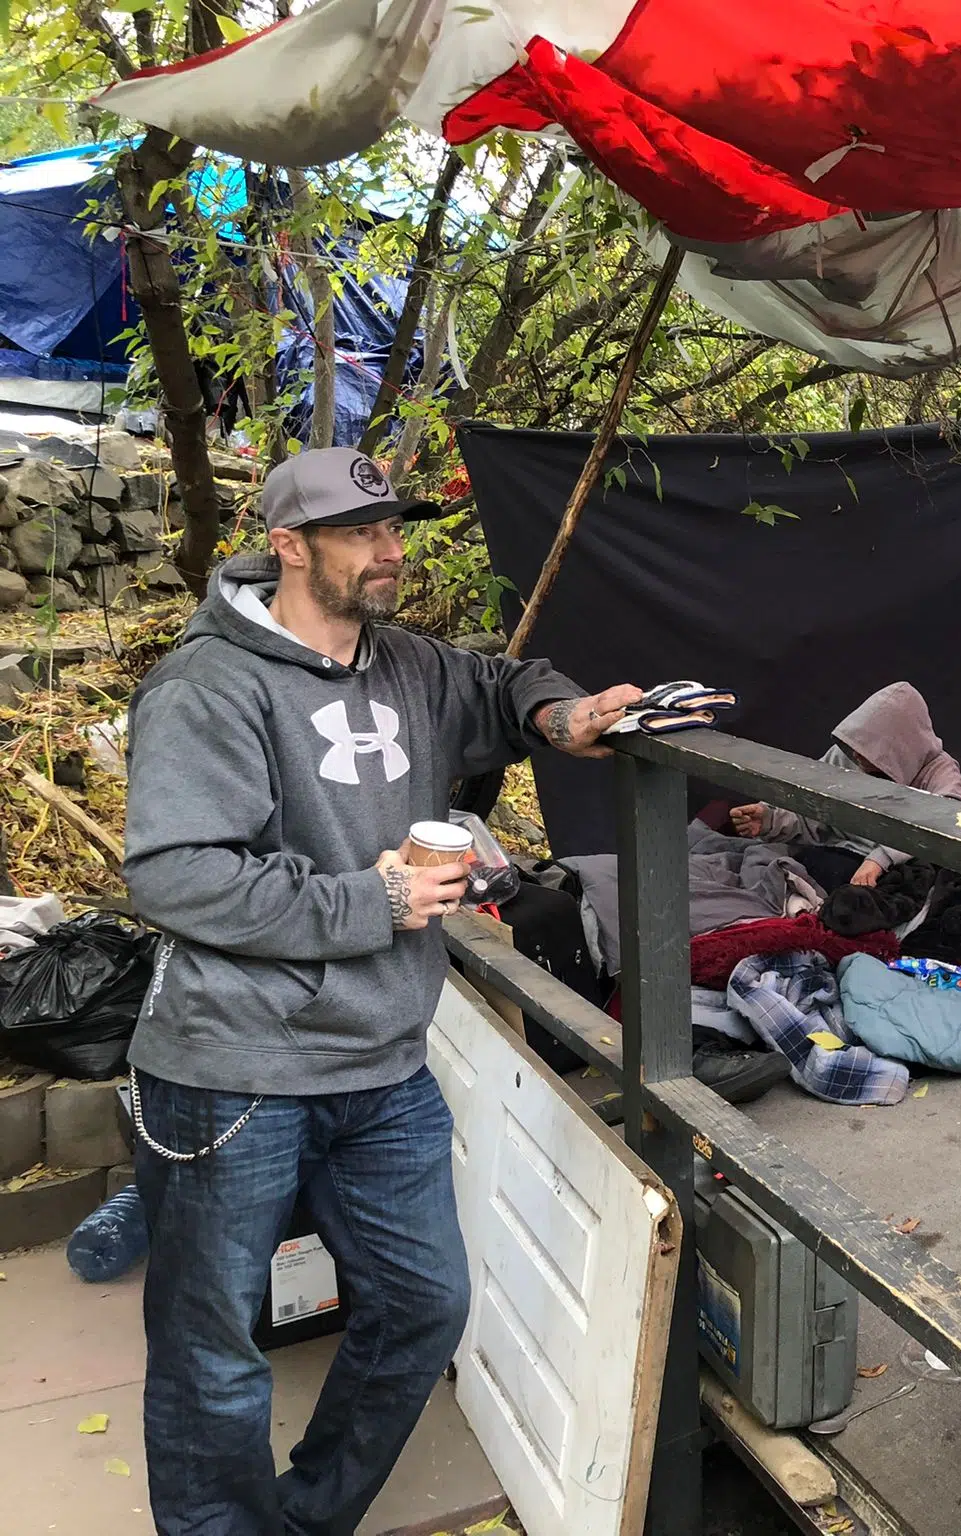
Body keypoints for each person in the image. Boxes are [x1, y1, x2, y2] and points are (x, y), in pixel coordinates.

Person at [121, 446, 641, 1535]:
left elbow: (502, 685)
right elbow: (175, 875)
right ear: (287, 546)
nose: (388, 551)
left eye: (392, 529)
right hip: (233, 1073)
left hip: (380, 1067)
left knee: (420, 1305)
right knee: (213, 1356)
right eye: (359, 533)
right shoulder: (209, 684)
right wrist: (378, 902)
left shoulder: (406, 664)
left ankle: (306, 1518)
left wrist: (563, 718)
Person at [730, 682, 961, 888]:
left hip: (903, 866)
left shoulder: (940, 771)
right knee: (775, 868)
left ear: (897, 746)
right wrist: (771, 820)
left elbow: (948, 826)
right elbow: (813, 810)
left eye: (870, 746)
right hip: (838, 855)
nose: (856, 753)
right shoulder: (845, 757)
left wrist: (880, 860)